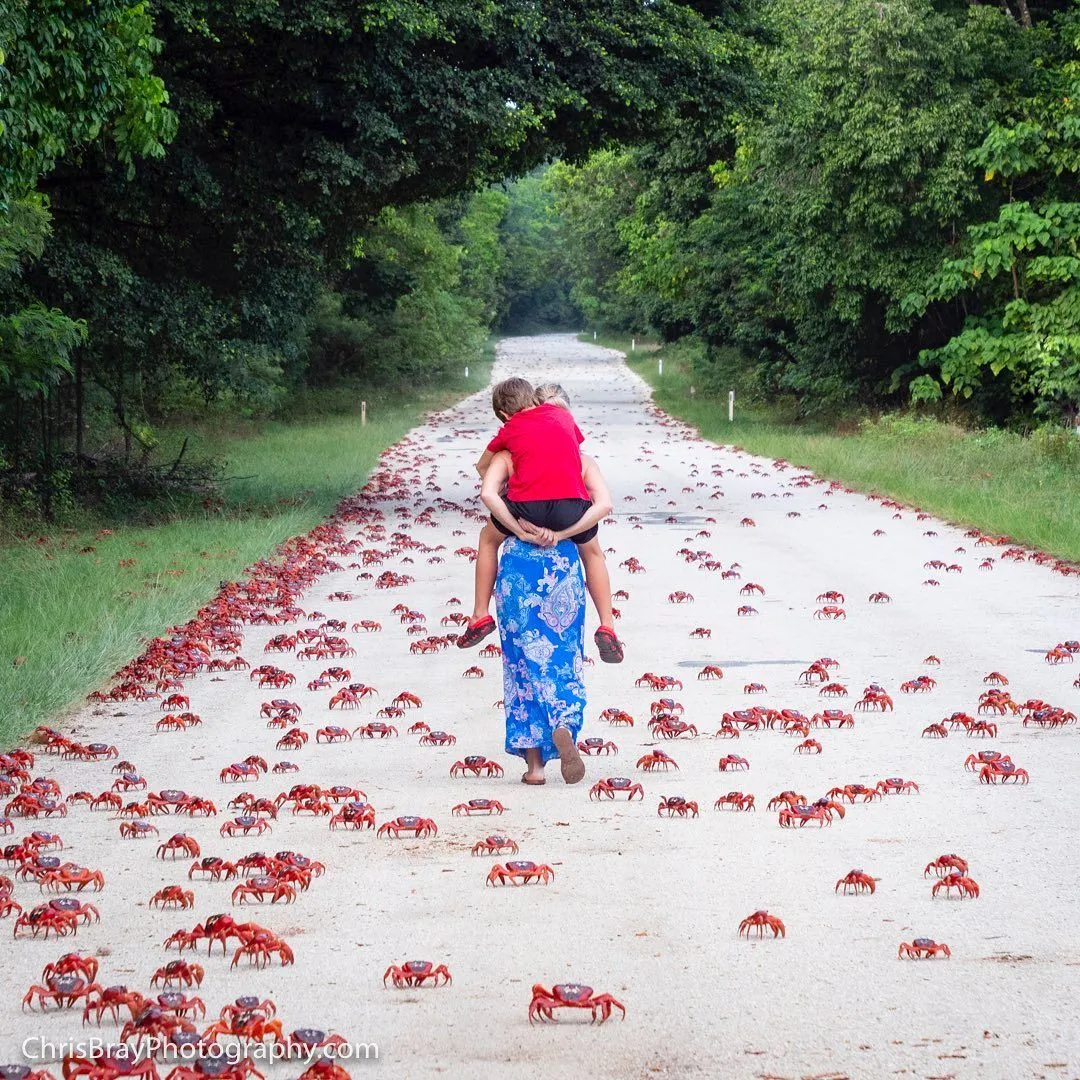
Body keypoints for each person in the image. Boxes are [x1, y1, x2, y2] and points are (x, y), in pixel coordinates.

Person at [457, 377, 623, 663]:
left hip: (526, 511)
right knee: (593, 553)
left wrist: (515, 521)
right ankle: (607, 623)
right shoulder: (564, 423)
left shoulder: (510, 435)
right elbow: (578, 461)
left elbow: (484, 469)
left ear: (505, 415)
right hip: (570, 509)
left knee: (487, 539)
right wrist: (564, 532)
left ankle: (479, 613)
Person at [494, 532, 588, 785]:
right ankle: (564, 725)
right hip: (563, 568)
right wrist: (562, 533)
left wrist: (520, 528)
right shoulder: (573, 501)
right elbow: (602, 506)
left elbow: (488, 497)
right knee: (564, 662)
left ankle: (535, 768)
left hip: (517, 571)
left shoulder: (514, 498)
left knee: (522, 668)